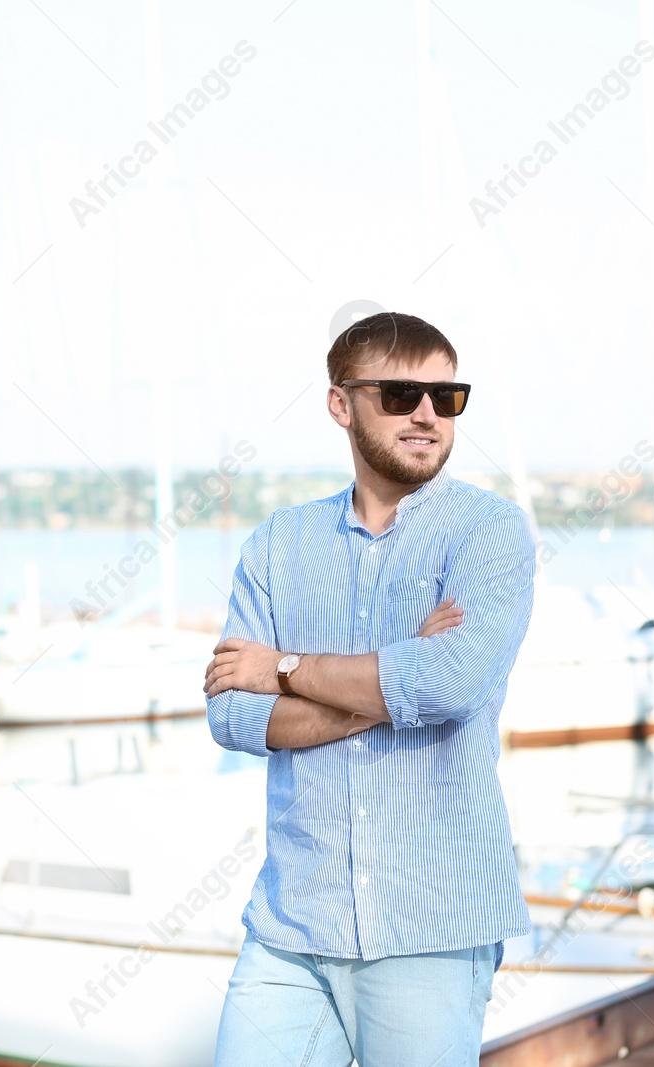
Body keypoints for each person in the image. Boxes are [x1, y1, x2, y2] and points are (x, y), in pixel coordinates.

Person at [203, 312, 535, 1066]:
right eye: (399, 393)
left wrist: (283, 668)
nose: (426, 413)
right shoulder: (278, 544)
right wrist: (389, 679)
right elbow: (232, 712)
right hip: (291, 929)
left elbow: (447, 682)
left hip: (432, 929)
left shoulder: (488, 533)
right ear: (341, 403)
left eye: (446, 397)